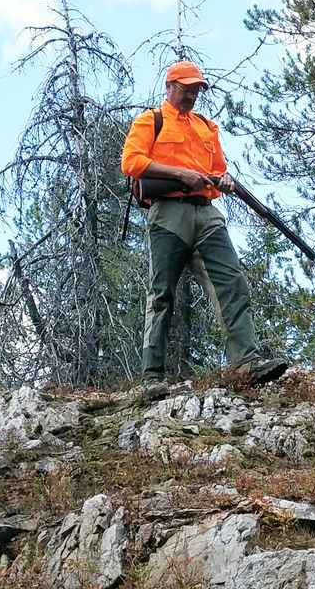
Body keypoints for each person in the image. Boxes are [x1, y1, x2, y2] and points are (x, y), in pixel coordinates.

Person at [121, 60, 289, 401]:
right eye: (186, 88)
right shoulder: (150, 121)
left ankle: (246, 361)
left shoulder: (207, 127)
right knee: (162, 294)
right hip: (168, 213)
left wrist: (223, 180)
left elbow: (217, 171)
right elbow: (131, 162)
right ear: (170, 86)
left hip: (206, 212)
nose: (192, 95)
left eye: (196, 89)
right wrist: (180, 174)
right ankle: (152, 377)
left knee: (232, 283)